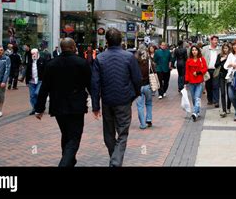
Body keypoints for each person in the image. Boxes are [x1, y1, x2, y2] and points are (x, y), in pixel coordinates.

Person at [34, 38, 92, 167]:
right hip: (76, 106)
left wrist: (39, 108)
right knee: (74, 137)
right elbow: (90, 84)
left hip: (58, 106)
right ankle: (65, 163)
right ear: (73, 47)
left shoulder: (51, 64)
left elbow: (44, 88)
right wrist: (97, 105)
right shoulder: (81, 63)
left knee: (65, 134)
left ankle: (70, 161)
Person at [91, 28, 142, 167]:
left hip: (107, 100)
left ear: (106, 41)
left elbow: (95, 84)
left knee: (108, 133)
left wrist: (95, 106)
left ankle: (114, 158)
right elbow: (137, 79)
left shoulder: (100, 58)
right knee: (123, 132)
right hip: (124, 100)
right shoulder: (128, 57)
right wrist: (135, 94)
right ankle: (115, 161)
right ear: (121, 41)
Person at [185, 45, 208, 121]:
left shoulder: (202, 59)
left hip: (199, 82)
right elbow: (187, 71)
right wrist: (186, 81)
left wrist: (198, 72)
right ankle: (197, 111)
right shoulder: (188, 60)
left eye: (195, 50)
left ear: (198, 51)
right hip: (191, 82)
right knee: (193, 98)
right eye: (193, 50)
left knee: (197, 97)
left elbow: (205, 68)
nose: (194, 51)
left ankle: (194, 113)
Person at [135, 46, 155, 129]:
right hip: (148, 85)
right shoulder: (149, 61)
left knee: (140, 106)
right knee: (149, 103)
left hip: (138, 86)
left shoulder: (135, 62)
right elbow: (154, 71)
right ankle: (149, 120)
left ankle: (143, 124)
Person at [25, 48, 47, 115]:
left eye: (34, 53)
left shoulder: (42, 60)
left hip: (40, 80)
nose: (33, 55)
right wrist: (26, 81)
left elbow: (46, 70)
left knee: (37, 93)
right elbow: (27, 71)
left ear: (37, 53)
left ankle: (40, 107)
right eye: (32, 54)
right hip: (31, 81)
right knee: (32, 96)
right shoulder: (30, 60)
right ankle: (35, 108)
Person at [202, 35, 221, 107]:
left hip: (216, 70)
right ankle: (210, 100)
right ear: (211, 41)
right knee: (208, 86)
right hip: (207, 70)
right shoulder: (205, 49)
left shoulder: (219, 49)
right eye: (215, 40)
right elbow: (201, 59)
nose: (216, 42)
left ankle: (216, 101)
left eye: (217, 40)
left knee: (216, 85)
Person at [215, 43, 232, 117]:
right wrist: (221, 60)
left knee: (229, 93)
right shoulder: (219, 55)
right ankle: (224, 110)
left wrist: (226, 59)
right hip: (221, 75)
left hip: (229, 76)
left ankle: (228, 107)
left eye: (226, 48)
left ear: (229, 49)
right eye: (224, 48)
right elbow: (216, 65)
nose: (225, 50)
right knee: (222, 92)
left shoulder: (231, 56)